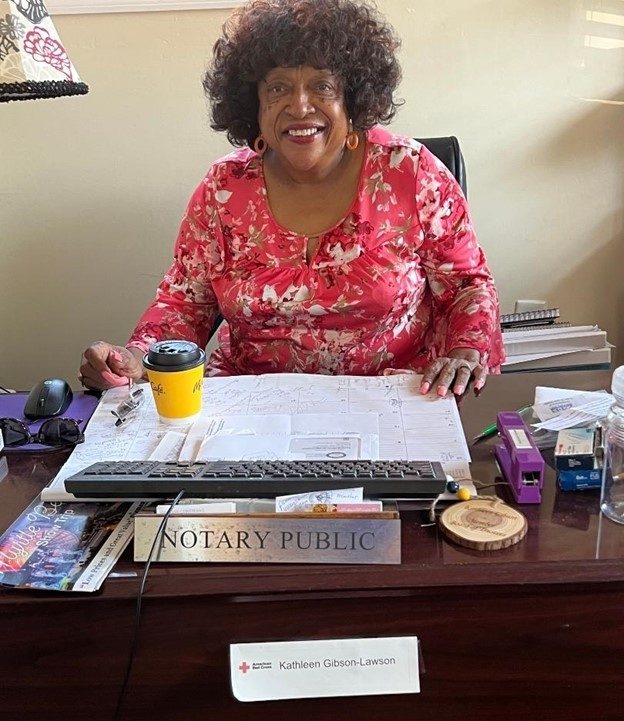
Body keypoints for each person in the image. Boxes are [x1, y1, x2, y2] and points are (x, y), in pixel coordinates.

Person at [80, 0, 504, 397]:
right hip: (249, 402)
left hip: (392, 399)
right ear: (255, 106)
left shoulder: (410, 173)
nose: (300, 106)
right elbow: (185, 302)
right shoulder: (224, 188)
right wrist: (136, 357)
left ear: (353, 99)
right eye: (278, 88)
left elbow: (466, 286)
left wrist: (465, 350)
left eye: (322, 86)